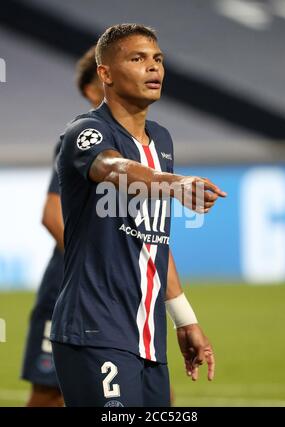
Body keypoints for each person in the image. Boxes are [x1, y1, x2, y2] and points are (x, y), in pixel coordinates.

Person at [50, 23, 227, 407]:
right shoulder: (87, 132)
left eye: (157, 59)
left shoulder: (161, 140)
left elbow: (154, 241)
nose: (154, 68)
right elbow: (113, 169)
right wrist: (175, 184)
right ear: (105, 74)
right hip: (94, 330)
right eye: (138, 59)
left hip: (148, 340)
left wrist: (185, 319)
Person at [21, 46, 104, 407]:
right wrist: (99, 265)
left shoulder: (147, 144)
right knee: (50, 393)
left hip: (121, 293)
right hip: (70, 289)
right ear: (91, 88)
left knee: (151, 386)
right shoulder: (81, 139)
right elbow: (52, 215)